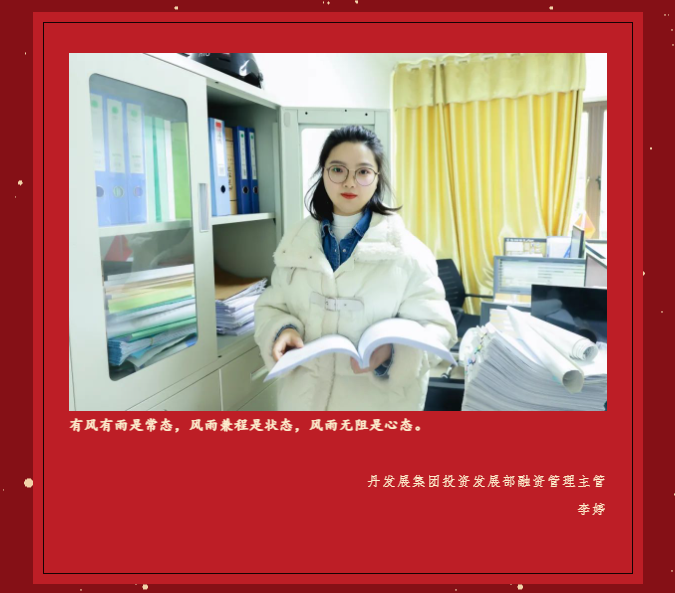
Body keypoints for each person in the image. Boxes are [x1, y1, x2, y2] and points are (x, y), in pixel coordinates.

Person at [254, 125, 457, 411]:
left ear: (377, 178)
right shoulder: (295, 245)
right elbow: (271, 307)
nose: (350, 182)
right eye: (338, 170)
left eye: (363, 172)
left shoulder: (409, 253)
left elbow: (439, 328)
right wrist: (282, 330)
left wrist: (393, 354)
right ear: (323, 173)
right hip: (302, 403)